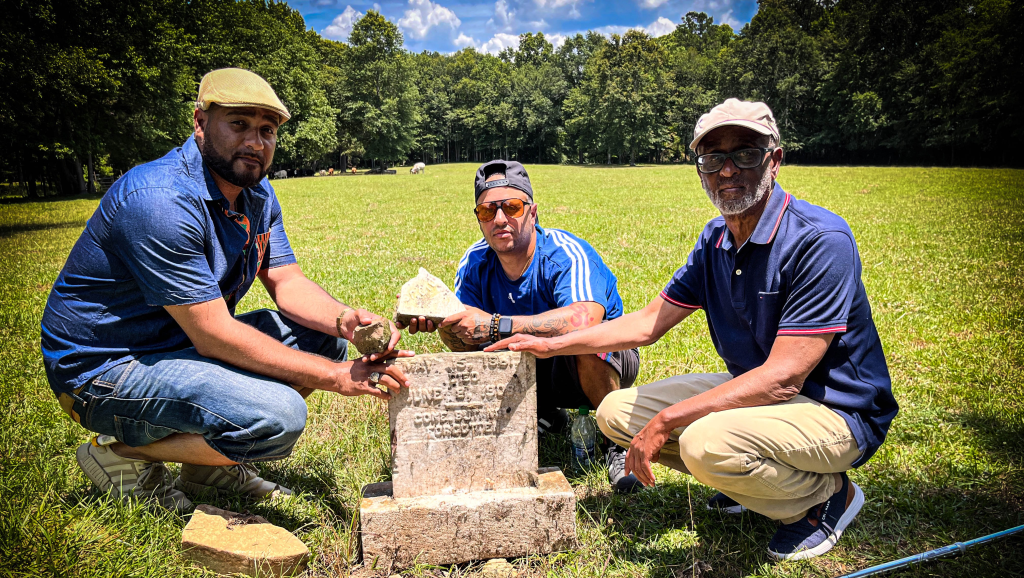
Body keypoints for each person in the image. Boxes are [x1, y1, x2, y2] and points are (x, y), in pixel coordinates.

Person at [487, 99, 899, 560]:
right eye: (713, 158)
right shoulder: (716, 239)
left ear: (774, 160)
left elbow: (784, 378)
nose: (728, 170)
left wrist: (668, 420)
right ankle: (750, 483)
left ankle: (825, 498)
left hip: (836, 409)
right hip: (761, 391)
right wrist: (553, 345)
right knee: (615, 413)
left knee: (706, 443)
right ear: (700, 170)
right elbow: (647, 323)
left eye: (745, 153)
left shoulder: (819, 240)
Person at [41, 68, 411, 513]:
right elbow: (213, 334)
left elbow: (287, 281)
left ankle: (206, 468)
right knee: (278, 417)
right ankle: (120, 454)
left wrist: (345, 320)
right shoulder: (160, 200)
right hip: (103, 368)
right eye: (239, 124)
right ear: (200, 122)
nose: (255, 142)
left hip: (175, 345)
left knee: (324, 338)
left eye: (267, 130)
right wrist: (335, 376)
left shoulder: (257, 194)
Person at [398, 160, 643, 493]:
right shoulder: (474, 262)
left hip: (602, 359)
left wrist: (496, 325)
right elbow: (466, 343)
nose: (499, 219)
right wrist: (445, 325)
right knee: (484, 354)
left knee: (584, 340)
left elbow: (585, 320)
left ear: (533, 212)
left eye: (512, 207)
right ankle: (545, 413)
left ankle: (618, 439)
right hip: (533, 363)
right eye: (487, 211)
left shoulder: (564, 252)